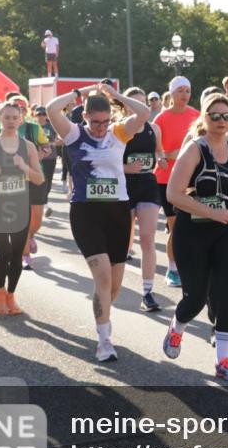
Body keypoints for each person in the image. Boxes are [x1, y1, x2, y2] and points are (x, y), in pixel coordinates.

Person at [46, 83, 150, 362]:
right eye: (96, 122)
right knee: (103, 275)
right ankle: (104, 340)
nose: (101, 127)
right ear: (86, 117)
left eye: (105, 121)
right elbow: (51, 109)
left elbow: (144, 111)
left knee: (113, 285)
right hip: (86, 212)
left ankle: (103, 313)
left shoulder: (119, 133)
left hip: (117, 212)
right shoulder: (74, 134)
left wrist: (115, 95)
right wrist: (80, 93)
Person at [162, 93, 228, 380]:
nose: (220, 121)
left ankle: (224, 360)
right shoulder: (195, 150)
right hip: (192, 231)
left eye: (225, 116)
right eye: (214, 116)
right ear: (204, 119)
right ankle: (177, 327)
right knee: (197, 297)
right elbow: (173, 194)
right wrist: (211, 211)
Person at [0, 101, 44, 315]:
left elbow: (39, 179)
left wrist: (23, 167)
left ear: (21, 119)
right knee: (4, 253)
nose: (10, 121)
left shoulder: (27, 146)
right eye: (6, 117)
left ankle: (10, 295)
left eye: (14, 117)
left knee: (17, 253)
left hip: (20, 206)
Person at [118, 87, 168, 312]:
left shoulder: (154, 128)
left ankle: (148, 292)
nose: (141, 108)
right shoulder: (118, 129)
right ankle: (111, 284)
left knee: (147, 238)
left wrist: (161, 158)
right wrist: (127, 167)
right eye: (135, 103)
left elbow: (158, 151)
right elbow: (107, 161)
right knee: (123, 239)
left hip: (148, 185)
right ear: (126, 106)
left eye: (143, 103)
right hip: (125, 187)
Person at [152, 76, 200, 287]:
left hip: (191, 179)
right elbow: (155, 150)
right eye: (180, 90)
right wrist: (163, 156)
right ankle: (173, 268)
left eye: (187, 91)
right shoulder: (161, 119)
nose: (184, 95)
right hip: (166, 179)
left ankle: (190, 265)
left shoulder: (196, 116)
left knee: (192, 225)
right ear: (171, 93)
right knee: (175, 226)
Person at [33, 106, 59, 217]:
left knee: (48, 182)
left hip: (50, 158)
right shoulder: (32, 127)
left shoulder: (51, 126)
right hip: (36, 158)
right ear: (35, 115)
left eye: (44, 114)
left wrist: (51, 144)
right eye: (39, 114)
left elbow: (59, 140)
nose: (41, 116)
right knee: (40, 181)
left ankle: (44, 202)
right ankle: (42, 204)